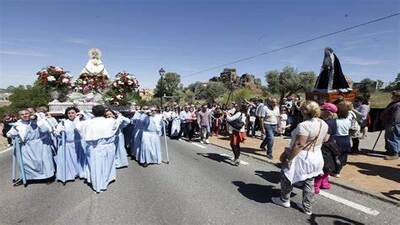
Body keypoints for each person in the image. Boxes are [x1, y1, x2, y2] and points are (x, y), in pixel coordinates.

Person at [272, 101, 329, 215]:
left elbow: (299, 145)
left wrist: (289, 159)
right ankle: (307, 207)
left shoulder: (304, 125)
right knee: (309, 181)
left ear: (304, 111)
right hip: (316, 155)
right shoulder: (323, 123)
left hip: (302, 156)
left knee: (287, 176)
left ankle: (284, 200)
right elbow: (325, 139)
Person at [74, 105, 122, 193]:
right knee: (108, 164)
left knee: (96, 165)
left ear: (93, 113)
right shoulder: (111, 121)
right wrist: (118, 115)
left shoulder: (87, 122)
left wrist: (78, 117)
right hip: (108, 146)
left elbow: (77, 126)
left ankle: (98, 184)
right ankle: (106, 180)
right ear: (104, 112)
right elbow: (118, 121)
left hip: (95, 147)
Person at [7, 109, 55, 184]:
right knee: (27, 163)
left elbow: (46, 129)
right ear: (19, 116)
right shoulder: (17, 124)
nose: (25, 115)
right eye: (22, 114)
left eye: (26, 113)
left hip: (40, 144)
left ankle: (48, 177)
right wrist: (14, 134)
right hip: (26, 146)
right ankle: (26, 178)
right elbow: (9, 134)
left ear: (30, 114)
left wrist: (37, 122)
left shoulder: (38, 120)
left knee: (44, 161)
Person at [54, 107, 85, 183]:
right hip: (67, 144)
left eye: (72, 113)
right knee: (69, 160)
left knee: (78, 159)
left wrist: (80, 117)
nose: (71, 114)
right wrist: (60, 132)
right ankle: (70, 174)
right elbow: (56, 132)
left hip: (78, 143)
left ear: (76, 113)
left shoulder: (80, 121)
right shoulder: (63, 123)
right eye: (69, 113)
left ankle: (80, 172)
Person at [314, 103, 338, 193]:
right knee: (327, 166)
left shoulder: (326, 123)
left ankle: (316, 186)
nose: (320, 111)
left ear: (327, 112)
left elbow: (325, 139)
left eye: (322, 110)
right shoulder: (334, 120)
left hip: (325, 147)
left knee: (322, 167)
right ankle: (325, 183)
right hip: (331, 145)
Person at [328, 101, 352, 174]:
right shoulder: (348, 121)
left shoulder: (334, 121)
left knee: (335, 155)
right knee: (343, 155)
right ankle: (339, 169)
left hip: (337, 139)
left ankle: (335, 169)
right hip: (346, 138)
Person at [381, 91, 400, 160]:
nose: (392, 97)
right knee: (388, 137)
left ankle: (394, 153)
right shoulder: (394, 103)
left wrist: (393, 124)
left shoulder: (398, 104)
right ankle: (389, 151)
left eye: (394, 96)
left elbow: (396, 116)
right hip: (389, 123)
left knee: (393, 138)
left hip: (393, 124)